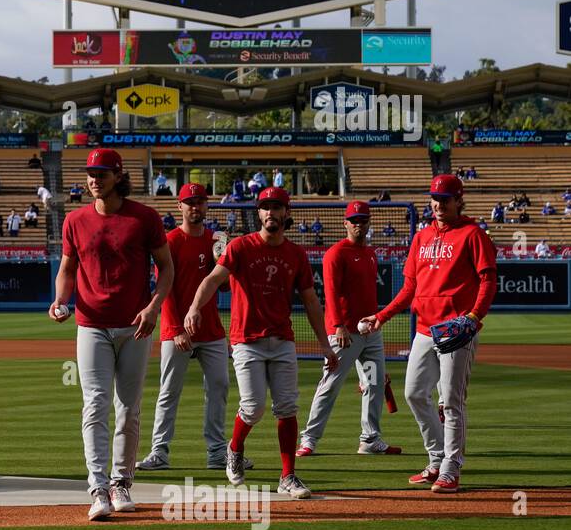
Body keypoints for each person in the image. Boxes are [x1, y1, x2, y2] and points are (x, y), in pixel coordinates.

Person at [184, 187, 339, 500]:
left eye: (277, 207)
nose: (271, 213)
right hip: (247, 340)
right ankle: (235, 448)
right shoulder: (241, 246)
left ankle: (288, 476)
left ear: (286, 213)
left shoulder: (296, 254)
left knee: (287, 408)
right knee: (253, 408)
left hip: (282, 340)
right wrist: (194, 308)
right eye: (266, 208)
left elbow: (311, 301)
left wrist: (325, 344)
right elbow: (213, 279)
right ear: (259, 213)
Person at [50, 148, 174, 521]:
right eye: (90, 173)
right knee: (95, 404)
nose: (94, 179)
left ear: (118, 177)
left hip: (135, 326)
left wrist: (154, 307)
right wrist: (59, 299)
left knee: (128, 409)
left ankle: (122, 481)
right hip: (91, 324)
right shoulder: (75, 220)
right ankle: (98, 488)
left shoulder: (145, 218)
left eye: (101, 173)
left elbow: (166, 269)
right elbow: (67, 268)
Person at [360, 174, 497, 494]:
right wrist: (382, 316)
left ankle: (452, 466)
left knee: (451, 400)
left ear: (459, 200)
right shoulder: (421, 238)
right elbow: (410, 288)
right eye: (435, 198)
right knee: (414, 393)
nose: (438, 204)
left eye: (445, 199)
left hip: (457, 329)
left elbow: (488, 280)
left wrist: (475, 318)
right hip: (425, 329)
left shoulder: (472, 234)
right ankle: (436, 458)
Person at [138, 183, 233, 472]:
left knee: (219, 387)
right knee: (169, 391)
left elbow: (227, 286)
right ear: (179, 207)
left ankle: (217, 453)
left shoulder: (215, 239)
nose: (195, 207)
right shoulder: (171, 241)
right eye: (189, 202)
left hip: (211, 330)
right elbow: (164, 291)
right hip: (176, 329)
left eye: (200, 202)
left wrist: (223, 258)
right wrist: (176, 328)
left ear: (207, 206)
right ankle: (159, 452)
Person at [297, 201, 402, 458]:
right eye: (354, 220)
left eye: (363, 220)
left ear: (368, 223)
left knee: (375, 382)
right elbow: (330, 293)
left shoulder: (370, 253)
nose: (358, 224)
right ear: (345, 223)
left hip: (370, 332)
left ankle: (370, 439)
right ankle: (309, 439)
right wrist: (337, 326)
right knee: (330, 384)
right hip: (344, 333)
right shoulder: (336, 253)